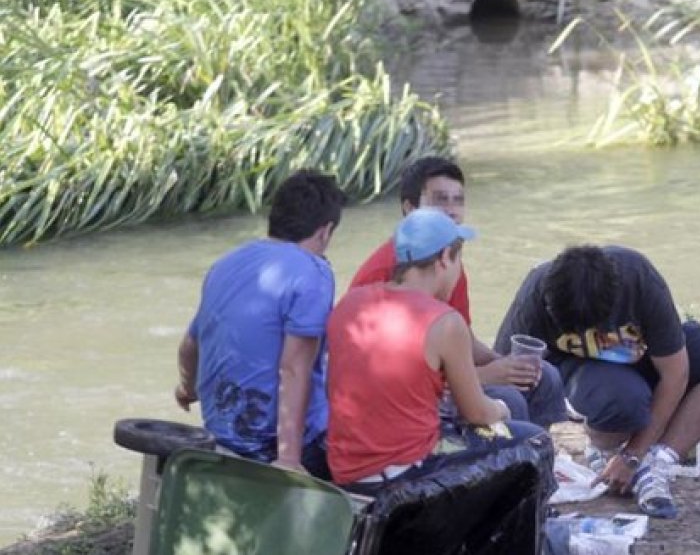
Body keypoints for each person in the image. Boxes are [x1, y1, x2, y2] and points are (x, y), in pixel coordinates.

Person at [494, 245, 700, 519]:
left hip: (642, 355)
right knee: (624, 402)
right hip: (587, 371)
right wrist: (527, 467)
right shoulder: (537, 292)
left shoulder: (638, 278)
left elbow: (675, 373)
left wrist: (634, 456)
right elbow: (505, 376)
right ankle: (604, 446)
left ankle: (657, 464)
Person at [326, 208, 545, 494]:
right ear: (444, 258)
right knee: (535, 441)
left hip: (346, 470)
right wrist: (502, 409)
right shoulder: (443, 322)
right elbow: (478, 413)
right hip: (407, 473)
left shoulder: (351, 303)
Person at [349, 156, 567, 428]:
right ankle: (519, 459)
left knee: (544, 375)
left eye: (458, 200)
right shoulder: (376, 278)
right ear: (409, 208)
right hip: (405, 405)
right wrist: (486, 375)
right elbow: (394, 379)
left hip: (446, 377)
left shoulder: (450, 259)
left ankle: (540, 451)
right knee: (509, 399)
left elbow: (463, 334)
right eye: (440, 200)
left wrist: (501, 361)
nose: (452, 211)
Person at [174, 170, 346, 479]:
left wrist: (187, 388)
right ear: (326, 231)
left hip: (222, 437)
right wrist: (289, 461)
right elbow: (294, 368)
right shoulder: (314, 272)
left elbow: (191, 344)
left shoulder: (227, 263)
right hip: (273, 448)